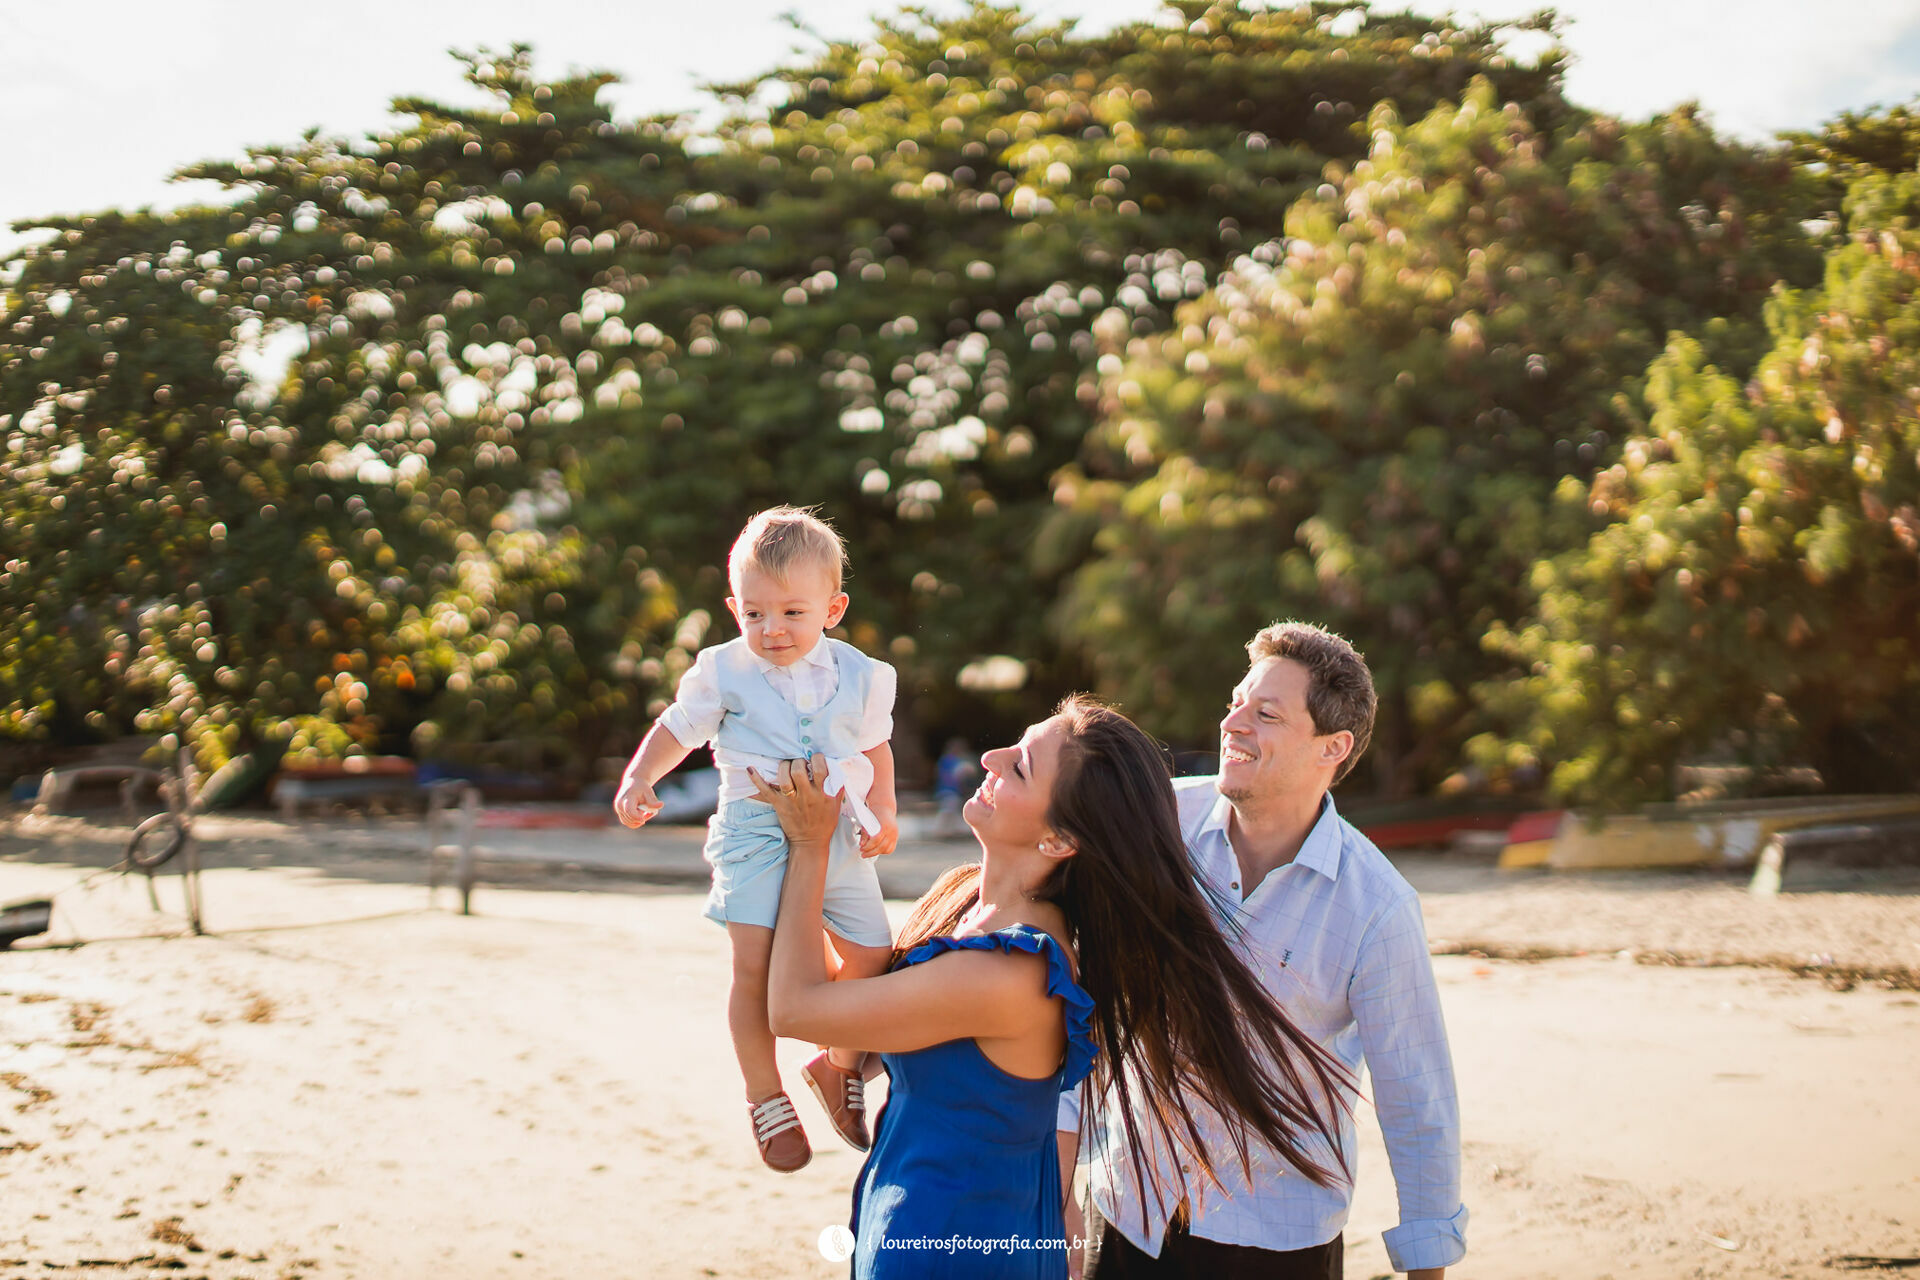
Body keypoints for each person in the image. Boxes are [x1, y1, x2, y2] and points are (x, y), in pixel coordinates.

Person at [757, 697, 1354, 1280]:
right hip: (914, 1218)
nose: (989, 758)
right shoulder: (962, 899)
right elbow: (842, 1002)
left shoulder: (1012, 974)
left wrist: (810, 844)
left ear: (1059, 840)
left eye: (1019, 766)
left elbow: (792, 1008)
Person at [1058, 621, 1467, 1279]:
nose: (1233, 722)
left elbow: (1417, 1100)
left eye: (1265, 713)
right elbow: (1077, 992)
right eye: (1235, 702)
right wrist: (1059, 1187)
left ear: (1331, 747)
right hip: (1128, 1214)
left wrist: (1426, 1265)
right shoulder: (1156, 824)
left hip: (1276, 1242)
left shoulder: (1377, 907)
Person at [612, 506, 900, 1173]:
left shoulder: (862, 674)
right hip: (753, 834)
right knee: (757, 969)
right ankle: (764, 1093)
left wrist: (882, 804)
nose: (771, 630)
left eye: (792, 613)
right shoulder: (724, 670)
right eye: (754, 613)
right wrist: (638, 777)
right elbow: (679, 728)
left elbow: (875, 744)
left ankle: (837, 1065)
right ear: (733, 607)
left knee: (872, 955)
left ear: (833, 608)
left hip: (837, 829)